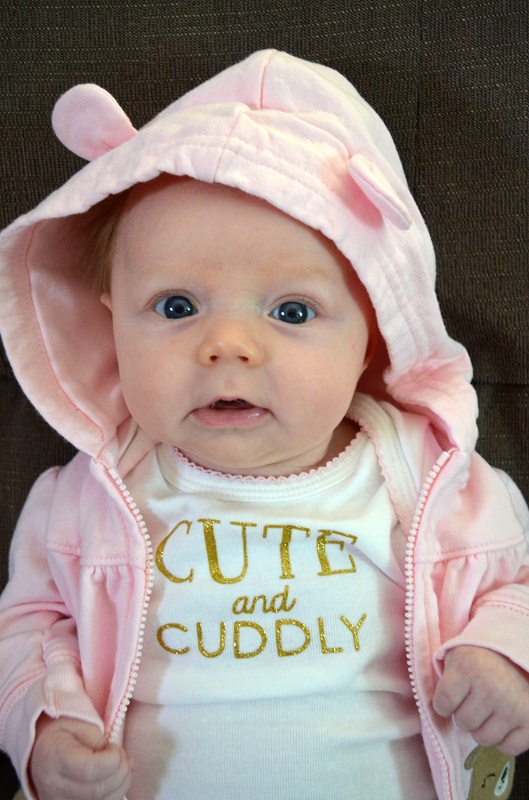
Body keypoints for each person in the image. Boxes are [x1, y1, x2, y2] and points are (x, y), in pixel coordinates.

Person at [0, 48, 528, 800]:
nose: (228, 346)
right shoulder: (83, 498)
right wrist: (43, 724)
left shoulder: (437, 480)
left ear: (371, 337)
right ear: (111, 323)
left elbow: (517, 586)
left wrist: (505, 654)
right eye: (176, 306)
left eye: (292, 311)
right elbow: (25, 631)